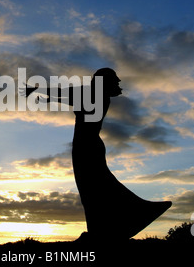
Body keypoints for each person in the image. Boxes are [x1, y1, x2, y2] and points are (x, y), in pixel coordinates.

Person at [23, 68, 171, 242]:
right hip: (90, 145)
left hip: (86, 146)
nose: (117, 83)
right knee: (95, 187)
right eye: (114, 80)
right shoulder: (99, 97)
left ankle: (123, 219)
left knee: (93, 188)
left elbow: (64, 93)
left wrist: (37, 91)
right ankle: (104, 227)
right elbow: (65, 96)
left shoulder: (92, 94)